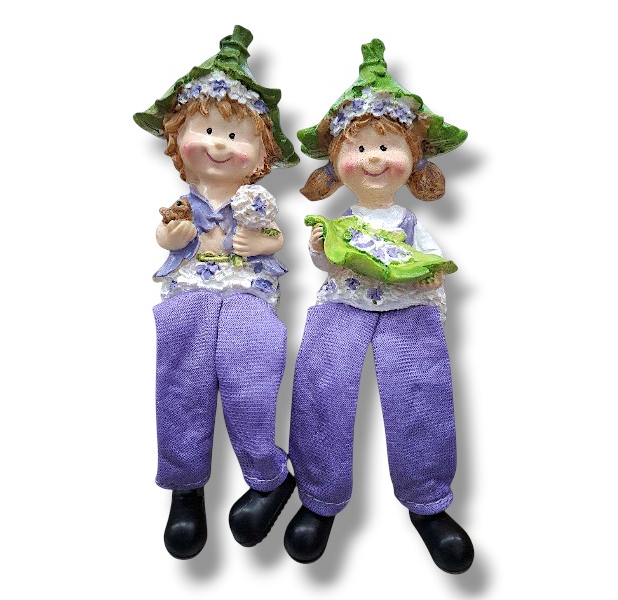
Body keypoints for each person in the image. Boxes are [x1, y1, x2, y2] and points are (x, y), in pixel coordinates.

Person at [284, 39, 474, 573]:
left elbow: (431, 260)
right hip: (342, 304)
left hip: (408, 308)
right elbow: (327, 266)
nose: (373, 157)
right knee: (321, 388)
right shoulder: (339, 224)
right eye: (360, 147)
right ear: (335, 162)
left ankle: (428, 500)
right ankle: (317, 494)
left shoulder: (409, 224)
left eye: (387, 146)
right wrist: (321, 252)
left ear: (414, 160)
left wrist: (432, 273)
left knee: (421, 394)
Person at [133, 25, 299, 559]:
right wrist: (173, 236)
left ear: (262, 153)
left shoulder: (255, 202)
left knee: (251, 380)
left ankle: (269, 475)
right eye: (205, 130)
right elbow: (165, 236)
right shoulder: (186, 203)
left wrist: (262, 242)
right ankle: (185, 486)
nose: (218, 144)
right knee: (181, 383)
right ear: (177, 139)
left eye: (234, 135)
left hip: (247, 294)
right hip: (189, 293)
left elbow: (276, 239)